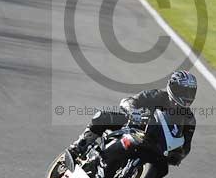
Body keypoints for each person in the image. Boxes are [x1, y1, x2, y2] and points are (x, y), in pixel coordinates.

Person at [68, 70, 197, 166]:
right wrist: (133, 111)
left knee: (161, 170)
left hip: (157, 147)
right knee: (102, 117)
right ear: (172, 87)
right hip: (135, 127)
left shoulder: (189, 119)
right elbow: (129, 101)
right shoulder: (157, 95)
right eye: (182, 91)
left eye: (190, 92)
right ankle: (79, 146)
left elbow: (186, 146)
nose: (186, 96)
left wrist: (178, 155)